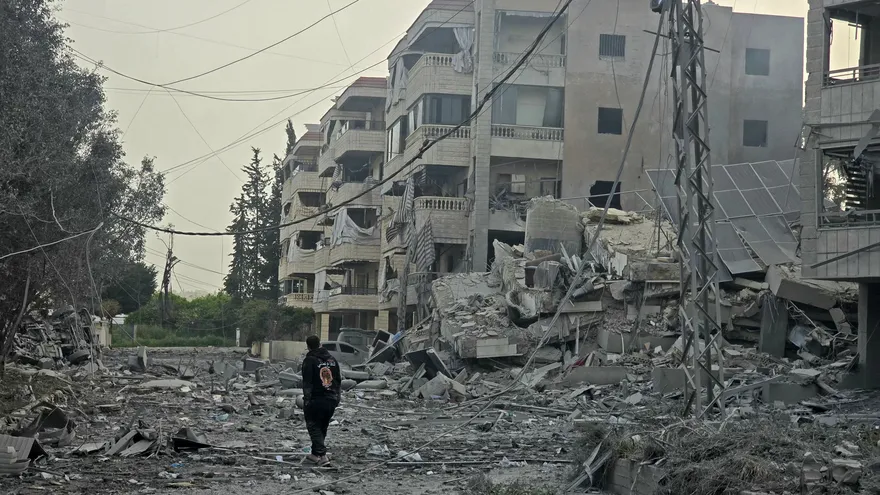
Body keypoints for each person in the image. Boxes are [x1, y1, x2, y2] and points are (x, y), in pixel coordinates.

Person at [301, 335, 341, 465]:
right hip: (331, 398)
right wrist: (337, 398)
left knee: (313, 426)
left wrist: (307, 401)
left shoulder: (310, 360)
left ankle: (322, 456)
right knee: (322, 426)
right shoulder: (332, 360)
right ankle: (315, 454)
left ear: (308, 346)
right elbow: (338, 380)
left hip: (317, 399)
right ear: (320, 344)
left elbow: (307, 382)